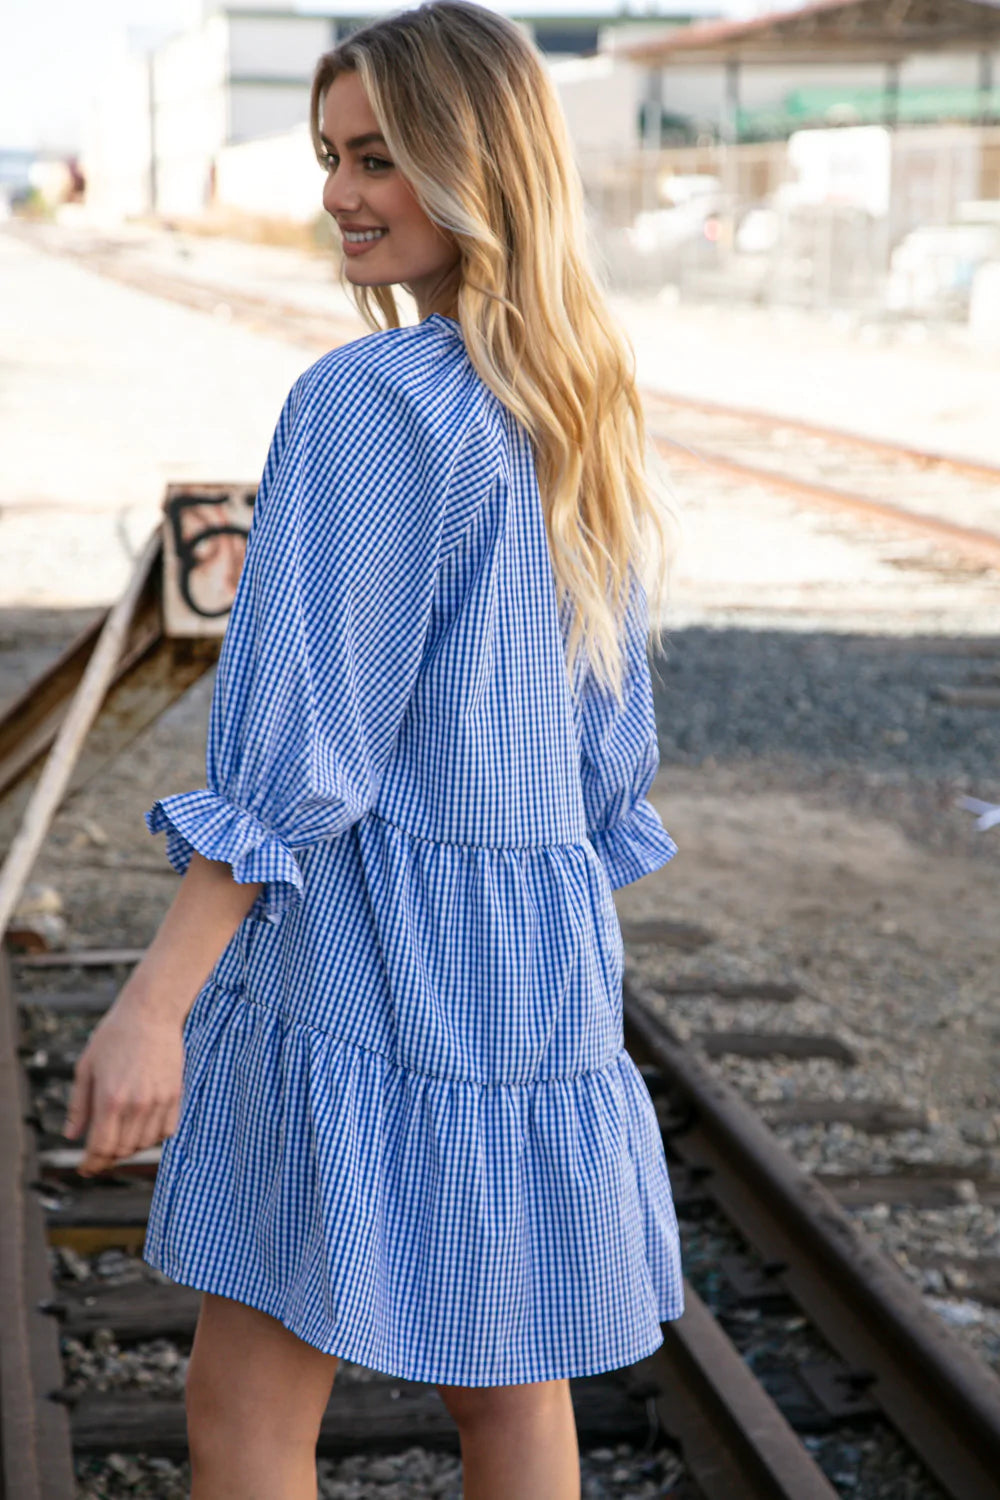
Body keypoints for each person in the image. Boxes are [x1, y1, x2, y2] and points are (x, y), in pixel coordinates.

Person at [63, 3, 683, 1495]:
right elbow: (610, 764)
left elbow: (306, 751)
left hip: (359, 953)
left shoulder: (366, 404)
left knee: (249, 1406)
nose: (341, 192)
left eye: (383, 158)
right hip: (534, 960)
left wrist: (157, 1005)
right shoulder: (575, 405)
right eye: (332, 155)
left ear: (479, 166)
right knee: (512, 1402)